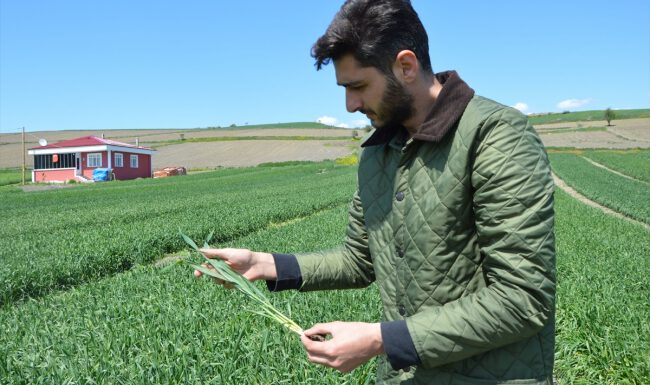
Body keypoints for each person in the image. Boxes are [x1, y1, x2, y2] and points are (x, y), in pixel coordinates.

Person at [195, 0, 556, 383]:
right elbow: (360, 259)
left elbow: (523, 298)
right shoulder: (380, 151)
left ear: (406, 66)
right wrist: (263, 264)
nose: (350, 105)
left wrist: (380, 339)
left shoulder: (496, 136)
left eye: (358, 86)